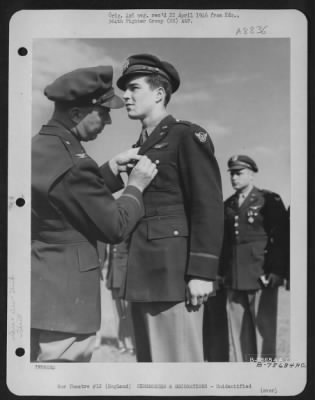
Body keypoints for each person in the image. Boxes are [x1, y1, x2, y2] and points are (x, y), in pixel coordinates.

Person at [31, 66, 157, 362]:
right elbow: (114, 226)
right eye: (102, 112)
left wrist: (111, 170)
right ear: (76, 114)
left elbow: (63, 198)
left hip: (41, 293)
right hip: (67, 308)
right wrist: (135, 188)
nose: (109, 120)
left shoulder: (40, 147)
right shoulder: (75, 163)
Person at [116, 54, 224, 362]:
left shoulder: (186, 136)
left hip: (175, 279)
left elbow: (208, 206)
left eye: (134, 88)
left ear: (160, 93)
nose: (126, 95)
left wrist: (202, 273)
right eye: (125, 89)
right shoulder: (138, 148)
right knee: (150, 372)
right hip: (142, 278)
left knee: (179, 370)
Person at [219, 155, 289, 362]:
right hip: (234, 276)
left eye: (239, 173)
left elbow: (281, 238)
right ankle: (244, 374)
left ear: (251, 174)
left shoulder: (269, 200)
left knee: (263, 330)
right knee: (238, 330)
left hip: (261, 275)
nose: (234, 178)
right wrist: (221, 273)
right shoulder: (228, 205)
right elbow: (224, 243)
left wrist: (277, 271)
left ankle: (265, 377)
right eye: (232, 173)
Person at [105, 240, 135, 354]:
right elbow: (110, 258)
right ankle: (121, 342)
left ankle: (130, 344)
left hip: (125, 278)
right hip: (114, 278)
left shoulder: (129, 233)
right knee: (118, 314)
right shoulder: (113, 235)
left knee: (127, 314)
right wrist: (109, 278)